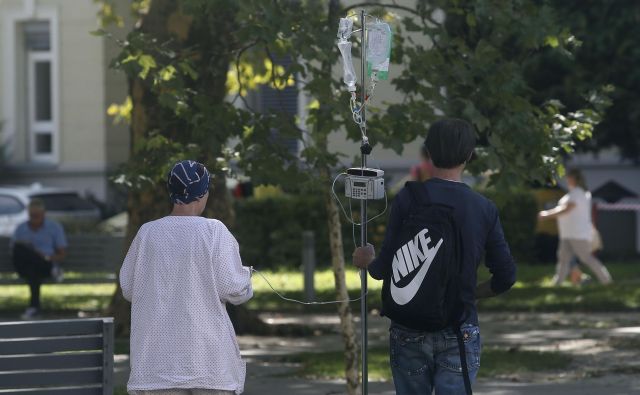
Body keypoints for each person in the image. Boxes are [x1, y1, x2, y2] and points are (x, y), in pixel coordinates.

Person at [353, 118, 516, 394]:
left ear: (428, 151)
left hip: (408, 330)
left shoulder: (408, 199)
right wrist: (470, 293)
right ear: (469, 155)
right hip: (459, 330)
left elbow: (381, 270)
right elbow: (506, 277)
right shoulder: (483, 208)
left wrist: (365, 259)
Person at [120, 160, 253, 395]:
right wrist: (247, 277)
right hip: (208, 365)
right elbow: (234, 290)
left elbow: (129, 289)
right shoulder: (213, 231)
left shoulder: (147, 233)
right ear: (202, 193)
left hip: (155, 367)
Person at [538, 168, 612, 286]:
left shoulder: (578, 193)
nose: (567, 179)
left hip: (577, 233)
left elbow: (567, 209)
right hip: (568, 233)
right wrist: (548, 214)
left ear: (575, 179)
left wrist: (547, 214)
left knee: (586, 258)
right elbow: (563, 208)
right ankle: (558, 283)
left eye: (569, 177)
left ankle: (606, 281)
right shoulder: (575, 193)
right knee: (563, 259)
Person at [10, 199, 67, 319]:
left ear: (43, 214)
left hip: (45, 265)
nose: (34, 218)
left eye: (37, 215)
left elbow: (62, 254)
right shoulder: (21, 228)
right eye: (32, 215)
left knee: (33, 270)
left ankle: (33, 307)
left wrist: (45, 257)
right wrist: (35, 254)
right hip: (25, 266)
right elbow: (15, 252)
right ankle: (34, 308)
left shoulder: (54, 227)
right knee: (21, 249)